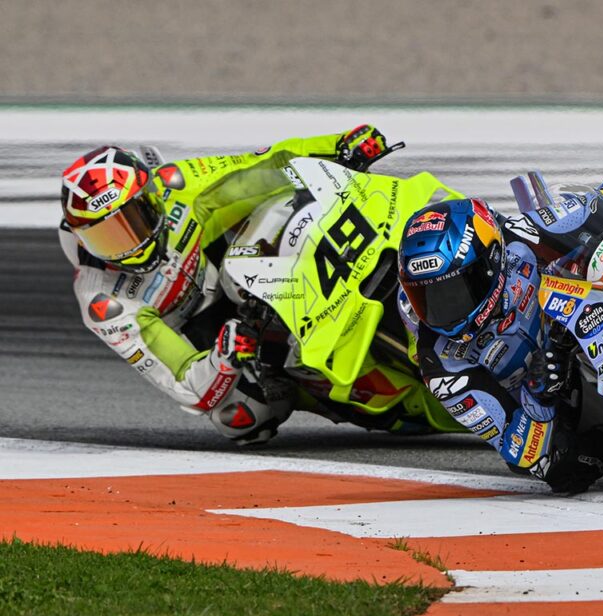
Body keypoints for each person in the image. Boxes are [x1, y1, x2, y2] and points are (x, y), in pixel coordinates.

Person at [396, 143, 603, 492]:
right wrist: (539, 396)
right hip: (558, 392)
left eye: (453, 291)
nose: (441, 309)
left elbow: (600, 202)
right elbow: (520, 450)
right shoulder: (441, 364)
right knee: (563, 470)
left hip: (599, 314)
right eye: (426, 297)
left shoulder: (519, 236)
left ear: (490, 261)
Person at [59, 125, 397, 444]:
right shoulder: (104, 302)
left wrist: (337, 148)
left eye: (133, 222)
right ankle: (325, 393)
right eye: (106, 237)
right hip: (206, 328)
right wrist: (224, 356)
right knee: (241, 417)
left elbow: (259, 167)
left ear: (151, 199)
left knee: (289, 202)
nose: (129, 245)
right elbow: (184, 383)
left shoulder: (175, 184)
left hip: (238, 257)